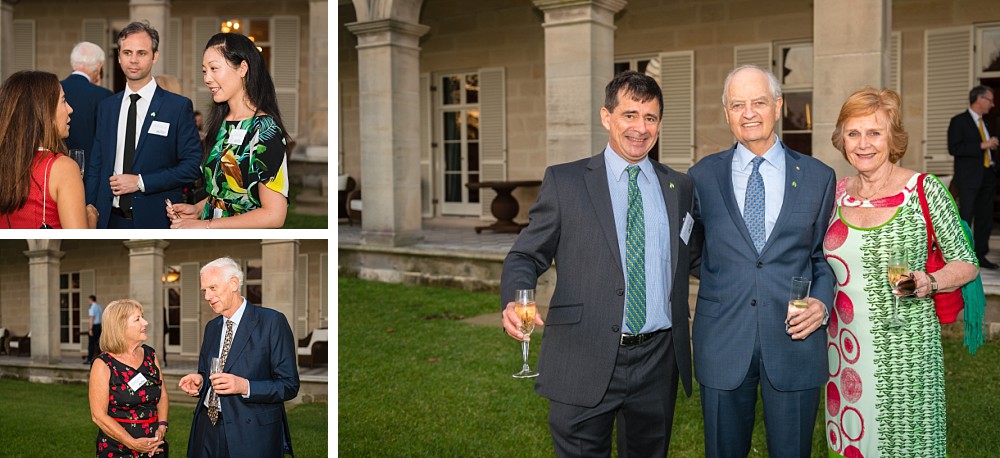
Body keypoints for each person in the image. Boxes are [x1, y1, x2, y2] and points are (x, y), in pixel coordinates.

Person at [500, 71, 695, 456]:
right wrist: (515, 298)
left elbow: (697, 257)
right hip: (582, 353)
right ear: (606, 117)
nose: (640, 128)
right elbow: (525, 254)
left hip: (658, 360)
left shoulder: (679, 186)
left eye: (650, 118)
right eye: (630, 115)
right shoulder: (566, 182)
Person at [687, 65, 836, 457]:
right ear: (726, 112)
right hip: (722, 340)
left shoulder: (819, 177)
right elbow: (690, 249)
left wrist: (821, 303)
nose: (749, 113)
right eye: (738, 104)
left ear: (777, 106)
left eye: (758, 102)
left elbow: (824, 257)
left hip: (794, 340)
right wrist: (726, 277)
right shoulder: (701, 176)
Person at [824, 87, 978, 456]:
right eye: (853, 133)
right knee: (852, 441)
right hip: (844, 347)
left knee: (906, 445)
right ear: (841, 139)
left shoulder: (923, 189)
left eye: (874, 132)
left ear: (892, 138)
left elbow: (966, 262)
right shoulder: (834, 194)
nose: (863, 144)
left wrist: (932, 281)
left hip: (905, 349)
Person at [178, 257, 299, 457]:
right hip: (207, 427)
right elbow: (206, 372)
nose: (207, 296)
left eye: (213, 288)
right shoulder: (212, 327)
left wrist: (245, 386)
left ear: (234, 283)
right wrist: (199, 381)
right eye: (204, 291)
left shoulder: (271, 322)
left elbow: (289, 385)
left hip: (250, 433)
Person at [86, 21, 202, 229]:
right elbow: (96, 165)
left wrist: (140, 182)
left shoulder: (177, 107)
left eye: (141, 53)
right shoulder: (107, 107)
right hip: (108, 219)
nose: (133, 60)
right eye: (127, 52)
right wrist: (88, 207)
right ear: (119, 56)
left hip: (156, 219)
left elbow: (191, 167)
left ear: (154, 56)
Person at [167, 33, 289, 229]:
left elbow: (274, 215)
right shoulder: (220, 124)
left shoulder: (265, 129)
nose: (207, 78)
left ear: (242, 68)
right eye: (204, 71)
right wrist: (198, 210)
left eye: (214, 69)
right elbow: (225, 193)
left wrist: (207, 225)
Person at [0, 70, 96, 229]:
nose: (70, 109)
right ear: (44, 111)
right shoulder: (63, 168)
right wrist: (91, 219)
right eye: (63, 101)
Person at [88, 299, 168, 457]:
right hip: (118, 449)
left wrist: (162, 427)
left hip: (154, 446)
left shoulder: (150, 355)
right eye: (137, 319)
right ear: (120, 326)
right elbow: (98, 416)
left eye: (142, 317)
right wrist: (133, 443)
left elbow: (163, 395)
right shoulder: (103, 364)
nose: (145, 322)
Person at [947, 85, 999, 269]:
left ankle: (981, 256)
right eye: (990, 100)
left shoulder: (985, 123)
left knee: (985, 218)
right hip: (968, 178)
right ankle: (961, 257)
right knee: (965, 217)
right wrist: (982, 145)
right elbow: (954, 148)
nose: (992, 105)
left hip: (987, 176)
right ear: (980, 100)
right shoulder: (958, 121)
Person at [61, 41, 113, 158]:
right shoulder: (104, 95)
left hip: (57, 166)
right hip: (91, 170)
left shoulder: (54, 89)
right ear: (99, 67)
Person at [85, 295, 103, 364]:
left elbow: (91, 318)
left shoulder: (92, 307)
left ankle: (90, 359)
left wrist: (90, 329)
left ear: (91, 300)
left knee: (91, 344)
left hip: (94, 326)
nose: (88, 301)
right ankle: (99, 358)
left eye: (88, 300)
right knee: (98, 343)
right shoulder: (99, 307)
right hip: (99, 326)